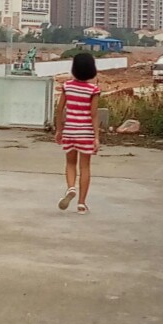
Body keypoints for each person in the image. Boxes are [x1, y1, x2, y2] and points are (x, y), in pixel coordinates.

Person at [54, 52, 100, 215]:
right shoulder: (93, 90)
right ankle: (81, 203)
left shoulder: (67, 86)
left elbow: (60, 110)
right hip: (86, 133)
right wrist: (96, 137)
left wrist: (59, 130)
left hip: (70, 131)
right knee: (85, 167)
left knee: (70, 163)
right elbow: (94, 114)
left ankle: (71, 188)